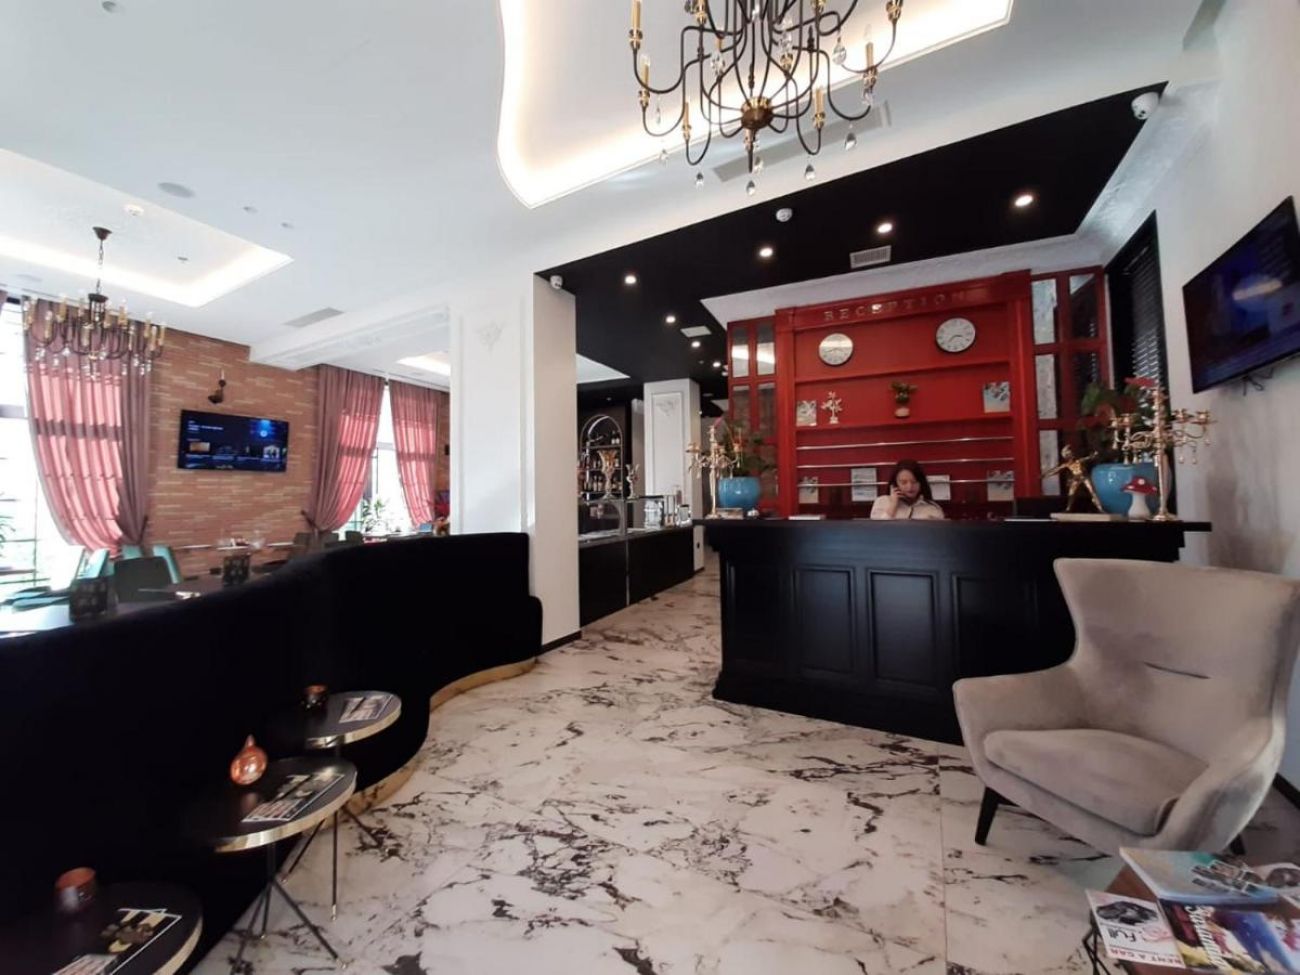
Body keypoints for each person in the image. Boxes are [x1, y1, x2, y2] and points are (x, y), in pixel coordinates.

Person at [870, 460, 946, 520]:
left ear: (921, 483)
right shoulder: (882, 502)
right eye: (903, 482)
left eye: (914, 482)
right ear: (895, 484)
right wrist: (893, 506)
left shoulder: (933, 508)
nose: (910, 487)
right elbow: (878, 530)